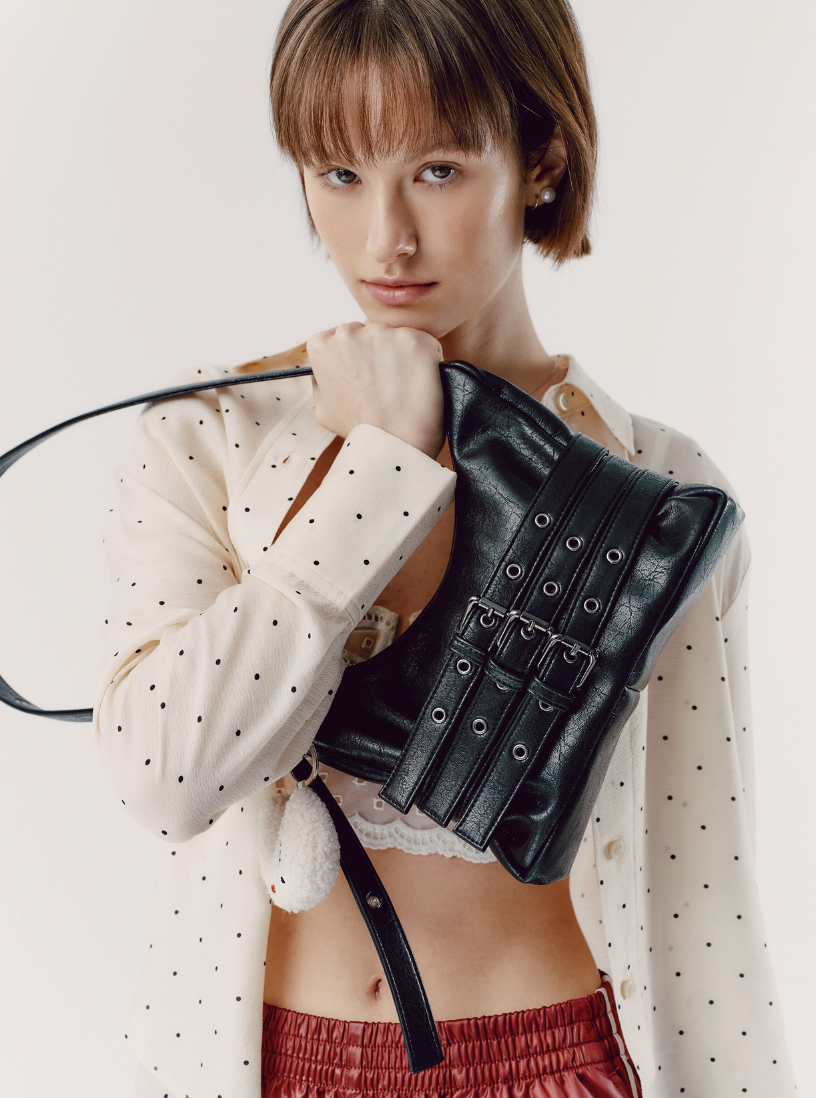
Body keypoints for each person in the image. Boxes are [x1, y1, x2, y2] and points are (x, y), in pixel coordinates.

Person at [94, 2, 795, 1096]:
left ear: (540, 158)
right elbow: (161, 779)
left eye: (437, 171)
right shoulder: (214, 439)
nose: (386, 240)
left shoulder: (657, 489)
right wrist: (375, 466)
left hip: (560, 1062)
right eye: (339, 175)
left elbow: (702, 886)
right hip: (268, 1065)